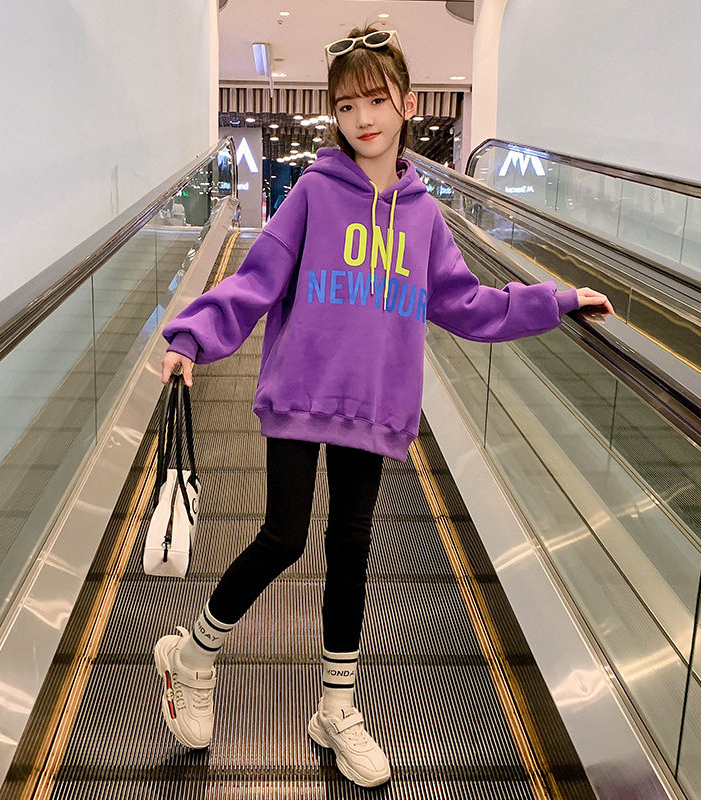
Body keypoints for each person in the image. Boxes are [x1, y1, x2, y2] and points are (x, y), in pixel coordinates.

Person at [152, 23, 614, 789]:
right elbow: (257, 278)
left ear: (406, 102)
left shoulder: (424, 216)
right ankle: (193, 654)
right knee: (283, 536)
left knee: (352, 548)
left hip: (374, 406)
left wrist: (557, 300)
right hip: (301, 393)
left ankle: (336, 707)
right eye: (346, 105)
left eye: (375, 100)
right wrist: (193, 336)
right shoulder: (313, 193)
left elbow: (467, 303)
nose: (362, 117)